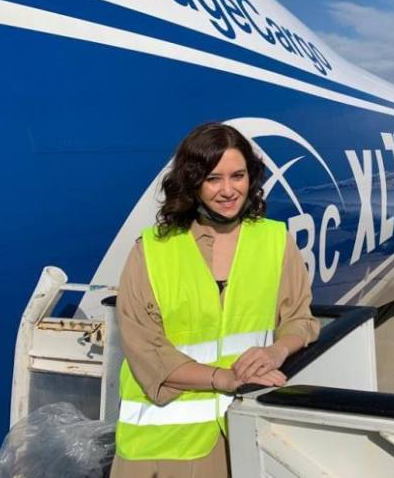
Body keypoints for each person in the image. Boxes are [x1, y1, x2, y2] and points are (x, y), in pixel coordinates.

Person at [110, 122, 319, 477]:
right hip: (163, 445)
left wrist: (275, 352)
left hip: (243, 428)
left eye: (237, 176)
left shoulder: (275, 241)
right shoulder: (151, 251)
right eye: (213, 179)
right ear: (192, 184)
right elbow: (145, 348)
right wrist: (223, 379)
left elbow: (300, 319)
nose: (228, 190)